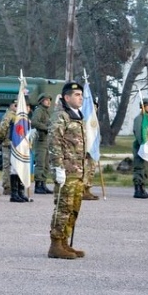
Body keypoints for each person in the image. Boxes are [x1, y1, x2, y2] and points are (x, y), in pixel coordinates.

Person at [46, 81, 88, 259]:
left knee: (74, 208)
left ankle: (64, 241)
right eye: (76, 95)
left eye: (81, 95)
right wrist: (58, 167)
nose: (80, 98)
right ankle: (55, 244)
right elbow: (54, 141)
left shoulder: (77, 116)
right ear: (67, 97)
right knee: (63, 207)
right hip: (66, 171)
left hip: (77, 171)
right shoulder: (61, 116)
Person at [132, 97, 148, 198]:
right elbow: (138, 133)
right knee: (139, 167)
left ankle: (143, 189)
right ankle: (137, 190)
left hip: (147, 147)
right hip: (140, 146)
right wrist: (144, 145)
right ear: (143, 106)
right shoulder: (139, 118)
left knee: (145, 168)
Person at [31, 94, 52, 194]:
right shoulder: (39, 110)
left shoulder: (46, 112)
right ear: (41, 101)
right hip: (41, 140)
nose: (48, 102)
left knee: (46, 164)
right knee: (40, 164)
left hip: (46, 140)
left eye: (49, 100)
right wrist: (46, 128)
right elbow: (34, 122)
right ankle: (38, 185)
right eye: (46, 100)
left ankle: (43, 184)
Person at [0, 99, 17, 196]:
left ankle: (14, 186)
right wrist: (2, 139)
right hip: (8, 143)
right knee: (7, 166)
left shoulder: (18, 116)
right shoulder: (8, 115)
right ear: (10, 106)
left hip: (16, 144)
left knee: (14, 166)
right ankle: (7, 186)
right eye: (15, 105)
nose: (17, 107)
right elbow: (3, 128)